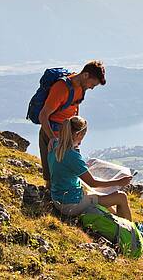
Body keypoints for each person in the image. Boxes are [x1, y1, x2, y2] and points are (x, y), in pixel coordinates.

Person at [48, 115, 133, 219]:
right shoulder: (72, 156)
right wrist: (119, 182)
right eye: (82, 136)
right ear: (78, 134)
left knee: (97, 196)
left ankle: (119, 220)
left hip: (58, 198)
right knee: (121, 197)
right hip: (71, 204)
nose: (82, 140)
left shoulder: (54, 144)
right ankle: (132, 232)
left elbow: (64, 168)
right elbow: (92, 183)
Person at [38, 60, 106, 189]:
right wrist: (52, 138)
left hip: (70, 137)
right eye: (92, 84)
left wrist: (77, 133)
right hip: (52, 134)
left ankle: (72, 202)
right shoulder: (61, 88)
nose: (91, 88)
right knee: (52, 177)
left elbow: (75, 108)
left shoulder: (81, 88)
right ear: (85, 75)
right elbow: (43, 115)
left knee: (73, 174)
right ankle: (52, 205)